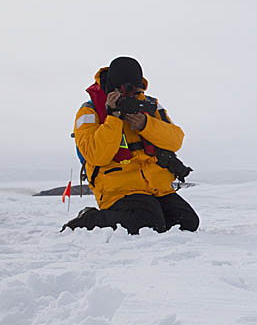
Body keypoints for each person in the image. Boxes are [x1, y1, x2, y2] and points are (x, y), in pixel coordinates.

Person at [62, 56, 199, 234]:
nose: (132, 96)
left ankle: (147, 214)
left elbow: (175, 141)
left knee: (187, 222)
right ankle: (88, 220)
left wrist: (146, 125)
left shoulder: (150, 106)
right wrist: (113, 118)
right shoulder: (90, 110)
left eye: (136, 91)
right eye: (128, 92)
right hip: (118, 188)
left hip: (155, 187)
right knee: (147, 223)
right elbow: (96, 155)